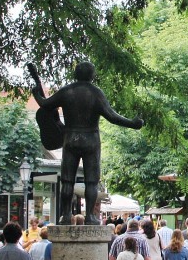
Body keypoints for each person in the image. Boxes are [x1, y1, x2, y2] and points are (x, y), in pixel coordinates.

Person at [30, 61, 144, 224]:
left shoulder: (67, 91)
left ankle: (66, 215)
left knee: (67, 180)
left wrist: (36, 93)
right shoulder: (96, 92)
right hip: (91, 140)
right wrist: (133, 123)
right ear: (92, 76)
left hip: (70, 139)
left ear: (76, 74)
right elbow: (112, 116)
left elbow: (44, 104)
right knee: (92, 181)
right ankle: (90, 216)